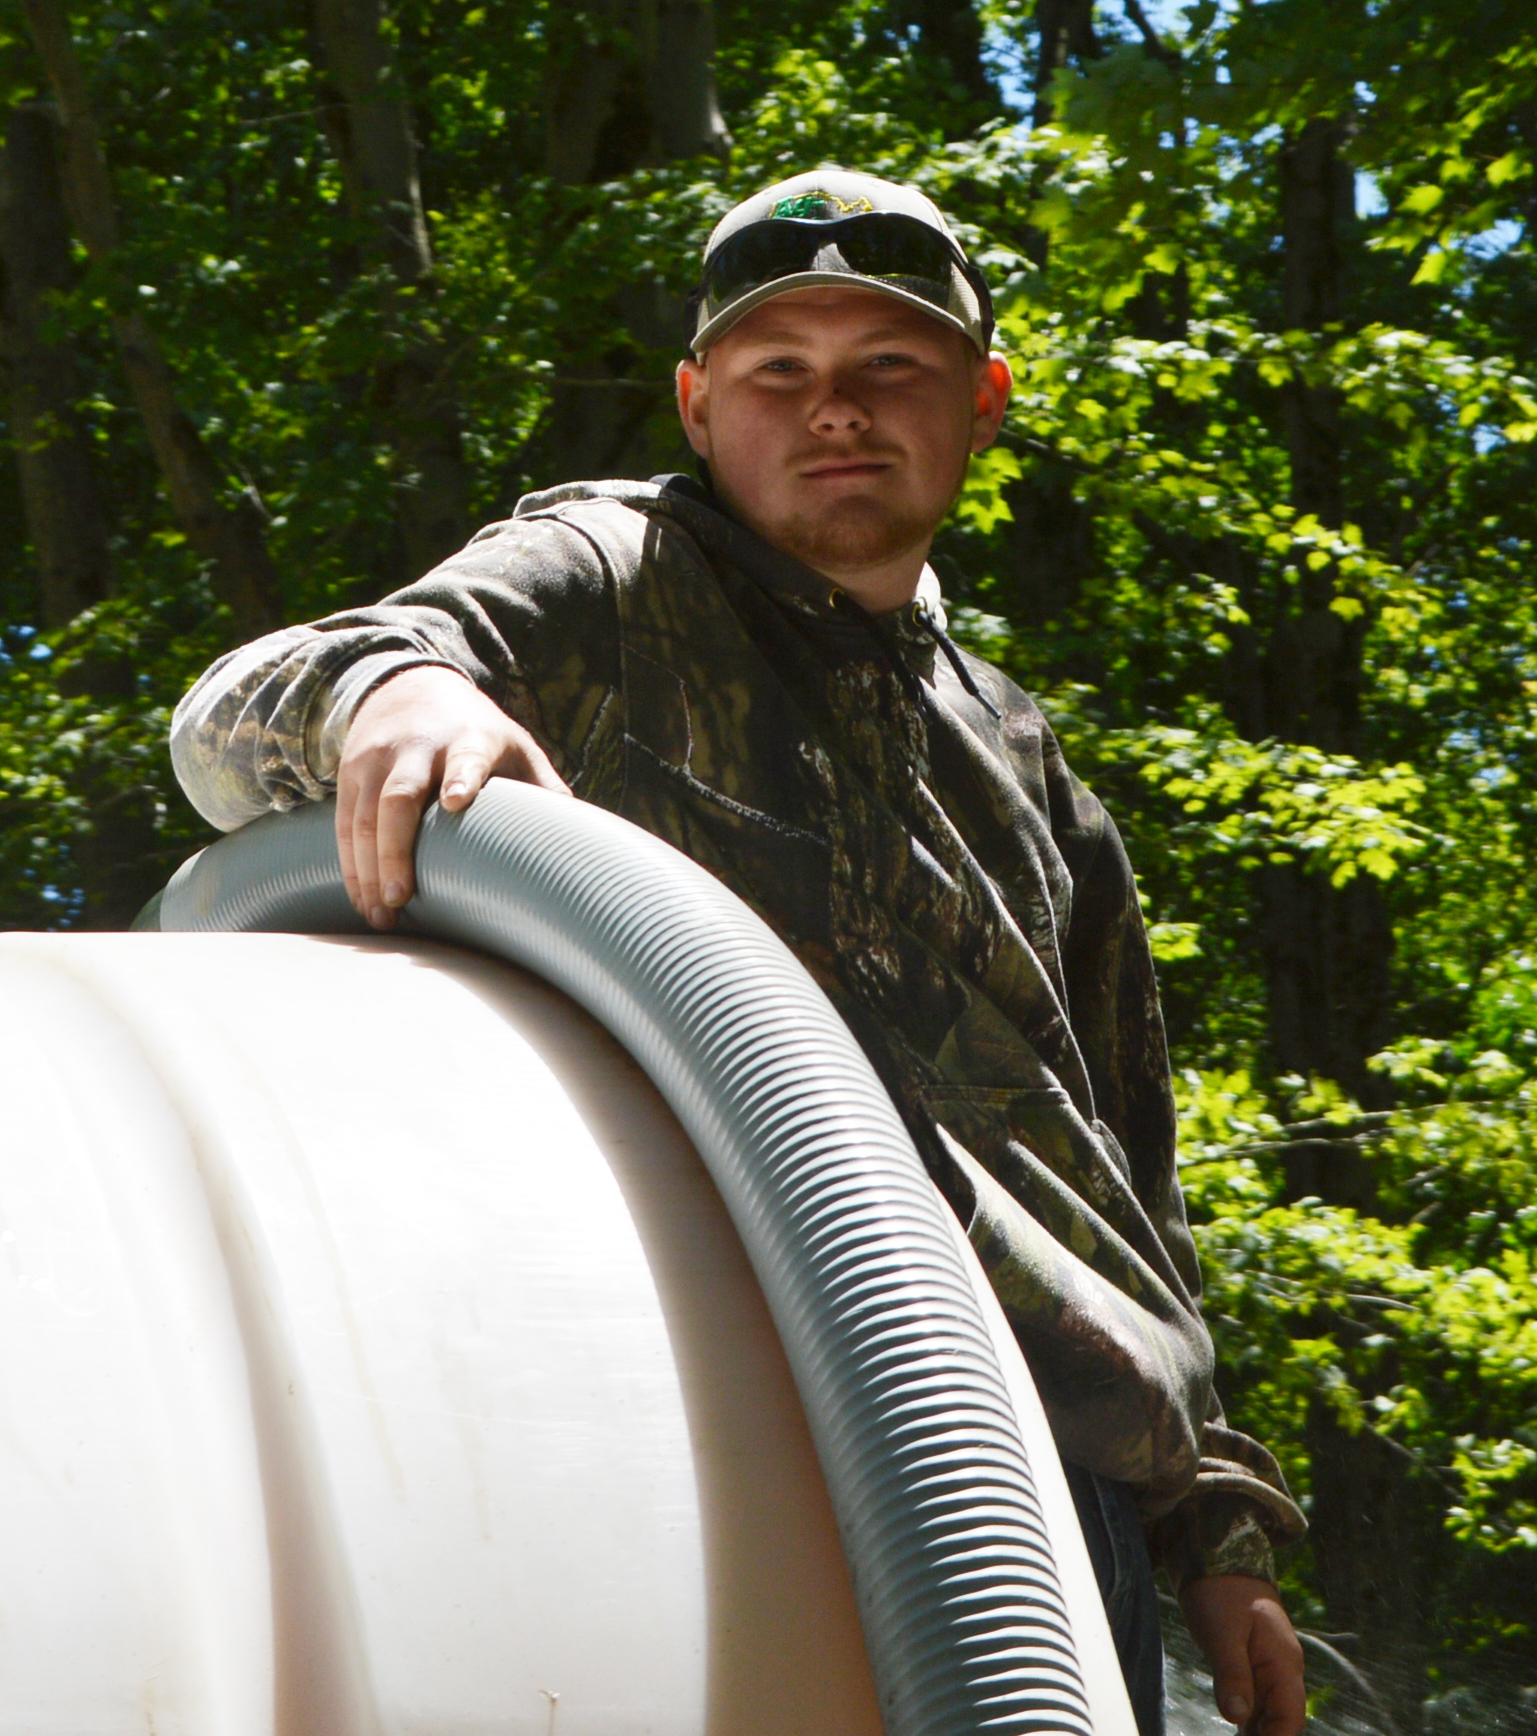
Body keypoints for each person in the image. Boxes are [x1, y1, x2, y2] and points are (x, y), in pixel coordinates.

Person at [171, 169, 1308, 1736]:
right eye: (781, 373)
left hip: (1052, 1484)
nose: (834, 410)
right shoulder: (616, 575)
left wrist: (1219, 1533)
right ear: (701, 408)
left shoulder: (1032, 771)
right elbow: (251, 707)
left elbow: (1129, 1178)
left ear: (980, 403)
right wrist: (395, 698)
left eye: (887, 369)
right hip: (699, 1421)